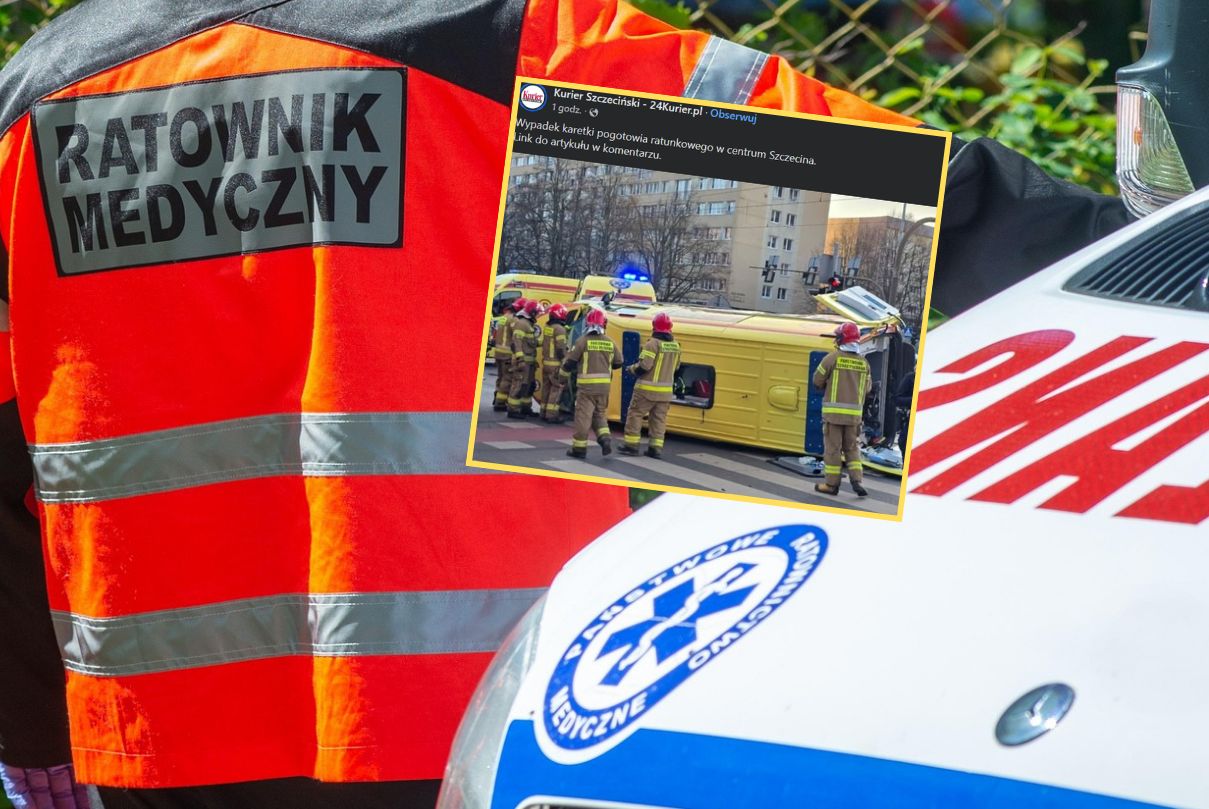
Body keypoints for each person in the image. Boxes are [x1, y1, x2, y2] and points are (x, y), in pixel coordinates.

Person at [0, 0, 1134, 807]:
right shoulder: (502, 51)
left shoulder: (37, 100)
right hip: (495, 721)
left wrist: (34, 726)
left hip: (163, 746)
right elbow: (932, 236)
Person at [812, 322, 872, 498]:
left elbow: (817, 380)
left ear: (841, 339)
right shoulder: (864, 363)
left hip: (834, 416)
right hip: (854, 418)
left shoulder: (832, 358)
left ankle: (831, 485)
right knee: (852, 449)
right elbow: (867, 389)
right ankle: (857, 481)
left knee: (833, 450)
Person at [562, 307, 622, 459]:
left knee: (583, 416)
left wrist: (564, 372)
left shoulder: (582, 341)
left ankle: (579, 449)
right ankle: (605, 438)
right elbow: (618, 362)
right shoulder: (610, 342)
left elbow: (570, 362)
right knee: (599, 414)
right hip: (604, 388)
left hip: (586, 388)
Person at [619, 312, 681, 459]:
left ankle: (631, 446)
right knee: (658, 420)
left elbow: (645, 366)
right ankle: (655, 449)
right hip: (665, 393)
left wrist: (631, 369)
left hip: (646, 390)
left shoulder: (652, 344)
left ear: (654, 327)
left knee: (635, 414)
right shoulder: (676, 346)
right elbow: (677, 368)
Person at [507, 299, 541, 418]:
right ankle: (513, 410)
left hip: (529, 362)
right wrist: (520, 359)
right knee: (519, 385)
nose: (537, 315)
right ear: (531, 312)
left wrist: (543, 343)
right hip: (523, 362)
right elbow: (517, 342)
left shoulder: (528, 324)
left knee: (528, 385)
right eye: (536, 312)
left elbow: (531, 342)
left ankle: (526, 408)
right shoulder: (522, 324)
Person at [538, 303, 570, 423]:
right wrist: (565, 361)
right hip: (555, 364)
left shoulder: (548, 327)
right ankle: (551, 415)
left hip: (546, 363)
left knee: (546, 388)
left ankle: (543, 412)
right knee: (556, 389)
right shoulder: (560, 329)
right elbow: (561, 348)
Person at [494, 297, 526, 412]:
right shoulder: (514, 320)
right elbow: (516, 336)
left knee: (501, 376)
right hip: (507, 353)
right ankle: (500, 402)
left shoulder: (503, 318)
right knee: (507, 378)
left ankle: (497, 397)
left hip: (498, 352)